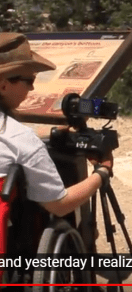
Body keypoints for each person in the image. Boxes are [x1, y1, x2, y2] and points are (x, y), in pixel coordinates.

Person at [0, 32, 112, 217]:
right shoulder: (19, 138)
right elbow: (60, 205)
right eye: (29, 80)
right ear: (4, 86)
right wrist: (103, 172)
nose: (32, 88)